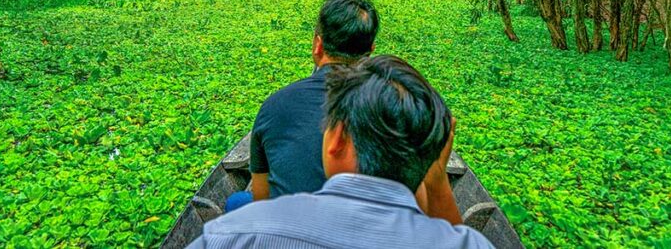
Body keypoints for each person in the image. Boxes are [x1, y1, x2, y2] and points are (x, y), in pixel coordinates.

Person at [187, 55, 494, 249]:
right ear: (432, 157)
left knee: (237, 201)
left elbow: (262, 196)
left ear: (335, 139)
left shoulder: (231, 236)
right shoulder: (469, 243)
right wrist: (437, 178)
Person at [245, 0, 379, 203]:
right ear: (370, 51)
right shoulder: (394, 106)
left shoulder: (275, 105)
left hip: (287, 227)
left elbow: (260, 199)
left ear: (318, 44)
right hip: (364, 227)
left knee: (236, 201)